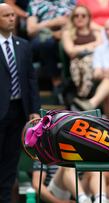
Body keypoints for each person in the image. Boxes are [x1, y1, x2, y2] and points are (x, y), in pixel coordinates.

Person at [0, 3, 41, 202]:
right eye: (6, 15)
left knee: (11, 160)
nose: (11, 18)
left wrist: (34, 109)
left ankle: (6, 198)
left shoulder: (23, 45)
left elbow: (31, 79)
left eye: (12, 15)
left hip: (18, 110)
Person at [26, 0, 75, 89]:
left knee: (69, 43)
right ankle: (57, 82)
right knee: (47, 43)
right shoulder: (35, 2)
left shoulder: (71, 2)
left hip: (68, 33)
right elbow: (31, 30)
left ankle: (71, 81)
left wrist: (63, 32)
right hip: (43, 35)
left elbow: (79, 20)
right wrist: (51, 23)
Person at [62, 5, 102, 98]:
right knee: (84, 63)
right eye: (76, 15)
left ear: (89, 18)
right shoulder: (68, 33)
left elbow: (101, 47)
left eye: (83, 15)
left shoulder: (95, 32)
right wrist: (91, 45)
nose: (80, 18)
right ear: (72, 18)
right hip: (77, 62)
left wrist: (78, 47)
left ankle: (83, 95)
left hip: (96, 62)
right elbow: (71, 51)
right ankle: (83, 96)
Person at [32, 162, 109, 203]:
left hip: (78, 190)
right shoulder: (45, 150)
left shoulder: (82, 147)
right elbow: (36, 184)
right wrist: (57, 202)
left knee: (94, 168)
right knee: (67, 165)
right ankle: (83, 200)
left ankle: (101, 199)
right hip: (57, 194)